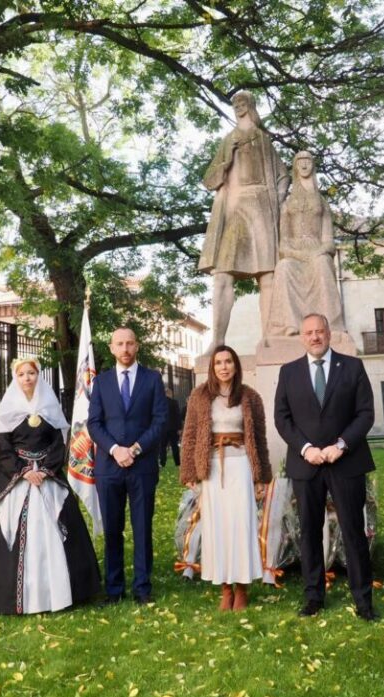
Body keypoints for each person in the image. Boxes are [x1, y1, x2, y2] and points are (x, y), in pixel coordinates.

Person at [0, 357, 100, 614]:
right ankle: (12, 595)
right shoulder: (8, 410)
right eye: (22, 374)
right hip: (16, 478)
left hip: (47, 477)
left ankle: (60, 593)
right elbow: (4, 449)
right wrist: (24, 471)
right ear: (15, 378)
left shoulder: (50, 407)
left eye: (31, 373)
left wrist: (45, 469)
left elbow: (59, 444)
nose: (27, 378)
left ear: (38, 376)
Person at [274, 313, 378, 621]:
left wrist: (341, 445)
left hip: (346, 462)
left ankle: (363, 600)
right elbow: (283, 418)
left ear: (328, 334)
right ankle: (313, 596)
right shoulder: (289, 372)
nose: (315, 337)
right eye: (309, 332)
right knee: (308, 532)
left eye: (320, 331)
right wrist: (306, 449)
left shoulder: (352, 367)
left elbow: (365, 413)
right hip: (306, 465)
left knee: (353, 531)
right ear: (302, 337)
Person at [180, 346, 272, 611]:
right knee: (218, 527)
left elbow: (260, 439)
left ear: (235, 365)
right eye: (218, 362)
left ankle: (242, 588)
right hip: (212, 469)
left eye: (228, 361)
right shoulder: (199, 397)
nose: (224, 367)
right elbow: (190, 436)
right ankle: (225, 589)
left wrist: (261, 477)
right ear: (213, 367)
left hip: (241, 466)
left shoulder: (250, 397)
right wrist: (188, 472)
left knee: (241, 526)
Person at [200, 90, 290, 347]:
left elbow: (283, 176)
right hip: (235, 210)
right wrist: (227, 158)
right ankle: (217, 341)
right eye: (235, 103)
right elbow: (209, 180)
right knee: (222, 275)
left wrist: (278, 200)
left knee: (268, 275)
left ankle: (270, 338)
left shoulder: (263, 139)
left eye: (243, 103)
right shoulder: (228, 139)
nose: (239, 106)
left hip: (262, 207)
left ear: (251, 105)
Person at [87, 327, 167, 605]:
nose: (125, 349)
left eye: (130, 343)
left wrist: (133, 449)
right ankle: (113, 588)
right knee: (112, 528)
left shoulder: (153, 379)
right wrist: (114, 449)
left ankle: (142, 588)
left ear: (137, 346)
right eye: (119, 344)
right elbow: (94, 423)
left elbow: (159, 421)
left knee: (142, 527)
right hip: (109, 468)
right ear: (111, 348)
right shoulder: (102, 382)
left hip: (142, 466)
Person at [267, 151, 345, 336]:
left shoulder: (323, 203)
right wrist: (298, 254)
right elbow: (283, 246)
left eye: (307, 161)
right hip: (294, 254)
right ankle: (291, 324)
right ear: (294, 166)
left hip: (317, 251)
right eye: (300, 161)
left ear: (313, 165)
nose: (304, 165)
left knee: (323, 263)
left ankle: (330, 324)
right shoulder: (287, 204)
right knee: (284, 267)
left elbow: (329, 241)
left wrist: (318, 252)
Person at [159, 386, 182, 468]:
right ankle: (178, 462)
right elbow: (178, 415)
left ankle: (162, 463)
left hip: (162, 428)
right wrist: (179, 428)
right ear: (169, 393)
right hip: (173, 428)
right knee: (174, 446)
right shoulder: (174, 402)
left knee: (162, 446)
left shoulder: (160, 403)